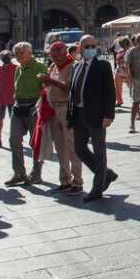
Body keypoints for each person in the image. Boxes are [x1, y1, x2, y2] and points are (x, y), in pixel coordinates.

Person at [68, 35, 117, 202]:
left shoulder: (103, 66)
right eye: (86, 46)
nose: (90, 48)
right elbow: (72, 92)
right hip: (79, 114)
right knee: (79, 149)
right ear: (80, 48)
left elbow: (110, 91)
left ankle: (97, 189)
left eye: (92, 46)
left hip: (97, 115)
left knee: (99, 152)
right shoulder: (76, 67)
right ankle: (106, 174)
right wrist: (70, 115)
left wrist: (109, 115)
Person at [38, 41, 83, 194]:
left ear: (65, 53)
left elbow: (69, 87)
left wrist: (50, 81)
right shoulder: (53, 66)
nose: (55, 59)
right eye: (52, 56)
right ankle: (65, 180)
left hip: (65, 107)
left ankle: (77, 182)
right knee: (60, 147)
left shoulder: (73, 66)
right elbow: (49, 85)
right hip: (52, 108)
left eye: (57, 56)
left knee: (71, 145)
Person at [5, 43, 46, 186]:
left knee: (36, 143)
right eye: (16, 53)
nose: (19, 56)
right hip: (18, 107)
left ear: (30, 53)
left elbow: (46, 90)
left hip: (33, 108)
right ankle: (19, 173)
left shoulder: (40, 67)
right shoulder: (18, 69)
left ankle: (36, 173)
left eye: (22, 53)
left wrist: (38, 106)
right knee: (14, 140)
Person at [0, 50, 17, 149]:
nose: (5, 58)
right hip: (1, 98)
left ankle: (15, 139)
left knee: (14, 121)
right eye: (3, 57)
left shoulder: (16, 68)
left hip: (11, 98)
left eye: (6, 56)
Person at [114, 36, 131, 107]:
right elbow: (117, 61)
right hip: (119, 71)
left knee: (132, 88)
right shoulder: (120, 51)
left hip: (128, 72)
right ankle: (119, 101)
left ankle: (136, 101)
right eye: (122, 44)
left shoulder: (131, 51)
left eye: (125, 43)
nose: (123, 45)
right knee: (117, 87)